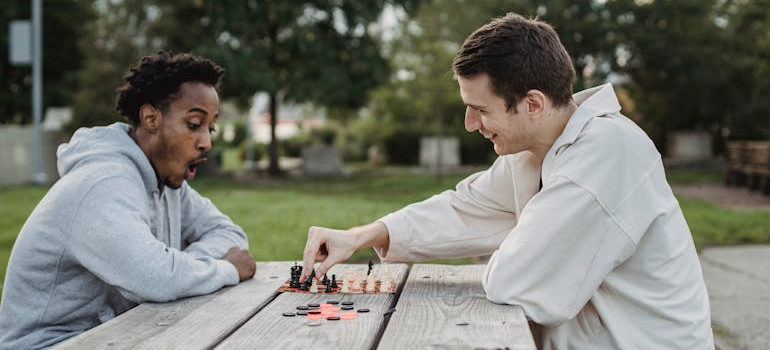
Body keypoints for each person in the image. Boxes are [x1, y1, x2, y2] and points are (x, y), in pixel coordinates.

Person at [301, 13, 713, 349]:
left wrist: (508, 240)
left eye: (479, 109)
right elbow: (464, 209)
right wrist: (360, 235)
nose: (469, 124)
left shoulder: (606, 154)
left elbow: (518, 283)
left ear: (532, 104)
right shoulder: (539, 150)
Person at [0, 52, 256, 350]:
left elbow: (231, 236)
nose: (206, 142)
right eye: (194, 124)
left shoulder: (168, 182)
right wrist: (224, 269)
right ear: (151, 119)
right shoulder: (104, 183)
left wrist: (183, 268)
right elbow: (155, 277)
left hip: (119, 335)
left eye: (210, 128)